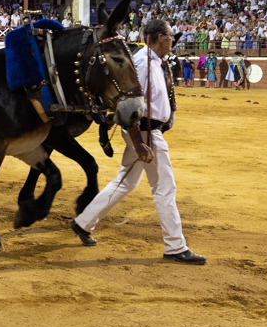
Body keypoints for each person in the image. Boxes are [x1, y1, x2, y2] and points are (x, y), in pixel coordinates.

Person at [68, 20, 205, 265]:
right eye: (170, 35)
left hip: (148, 131)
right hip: (145, 132)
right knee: (164, 187)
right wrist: (140, 142)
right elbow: (128, 104)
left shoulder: (154, 61)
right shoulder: (141, 63)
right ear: (158, 37)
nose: (174, 39)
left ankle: (83, 222)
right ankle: (175, 245)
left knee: (125, 182)